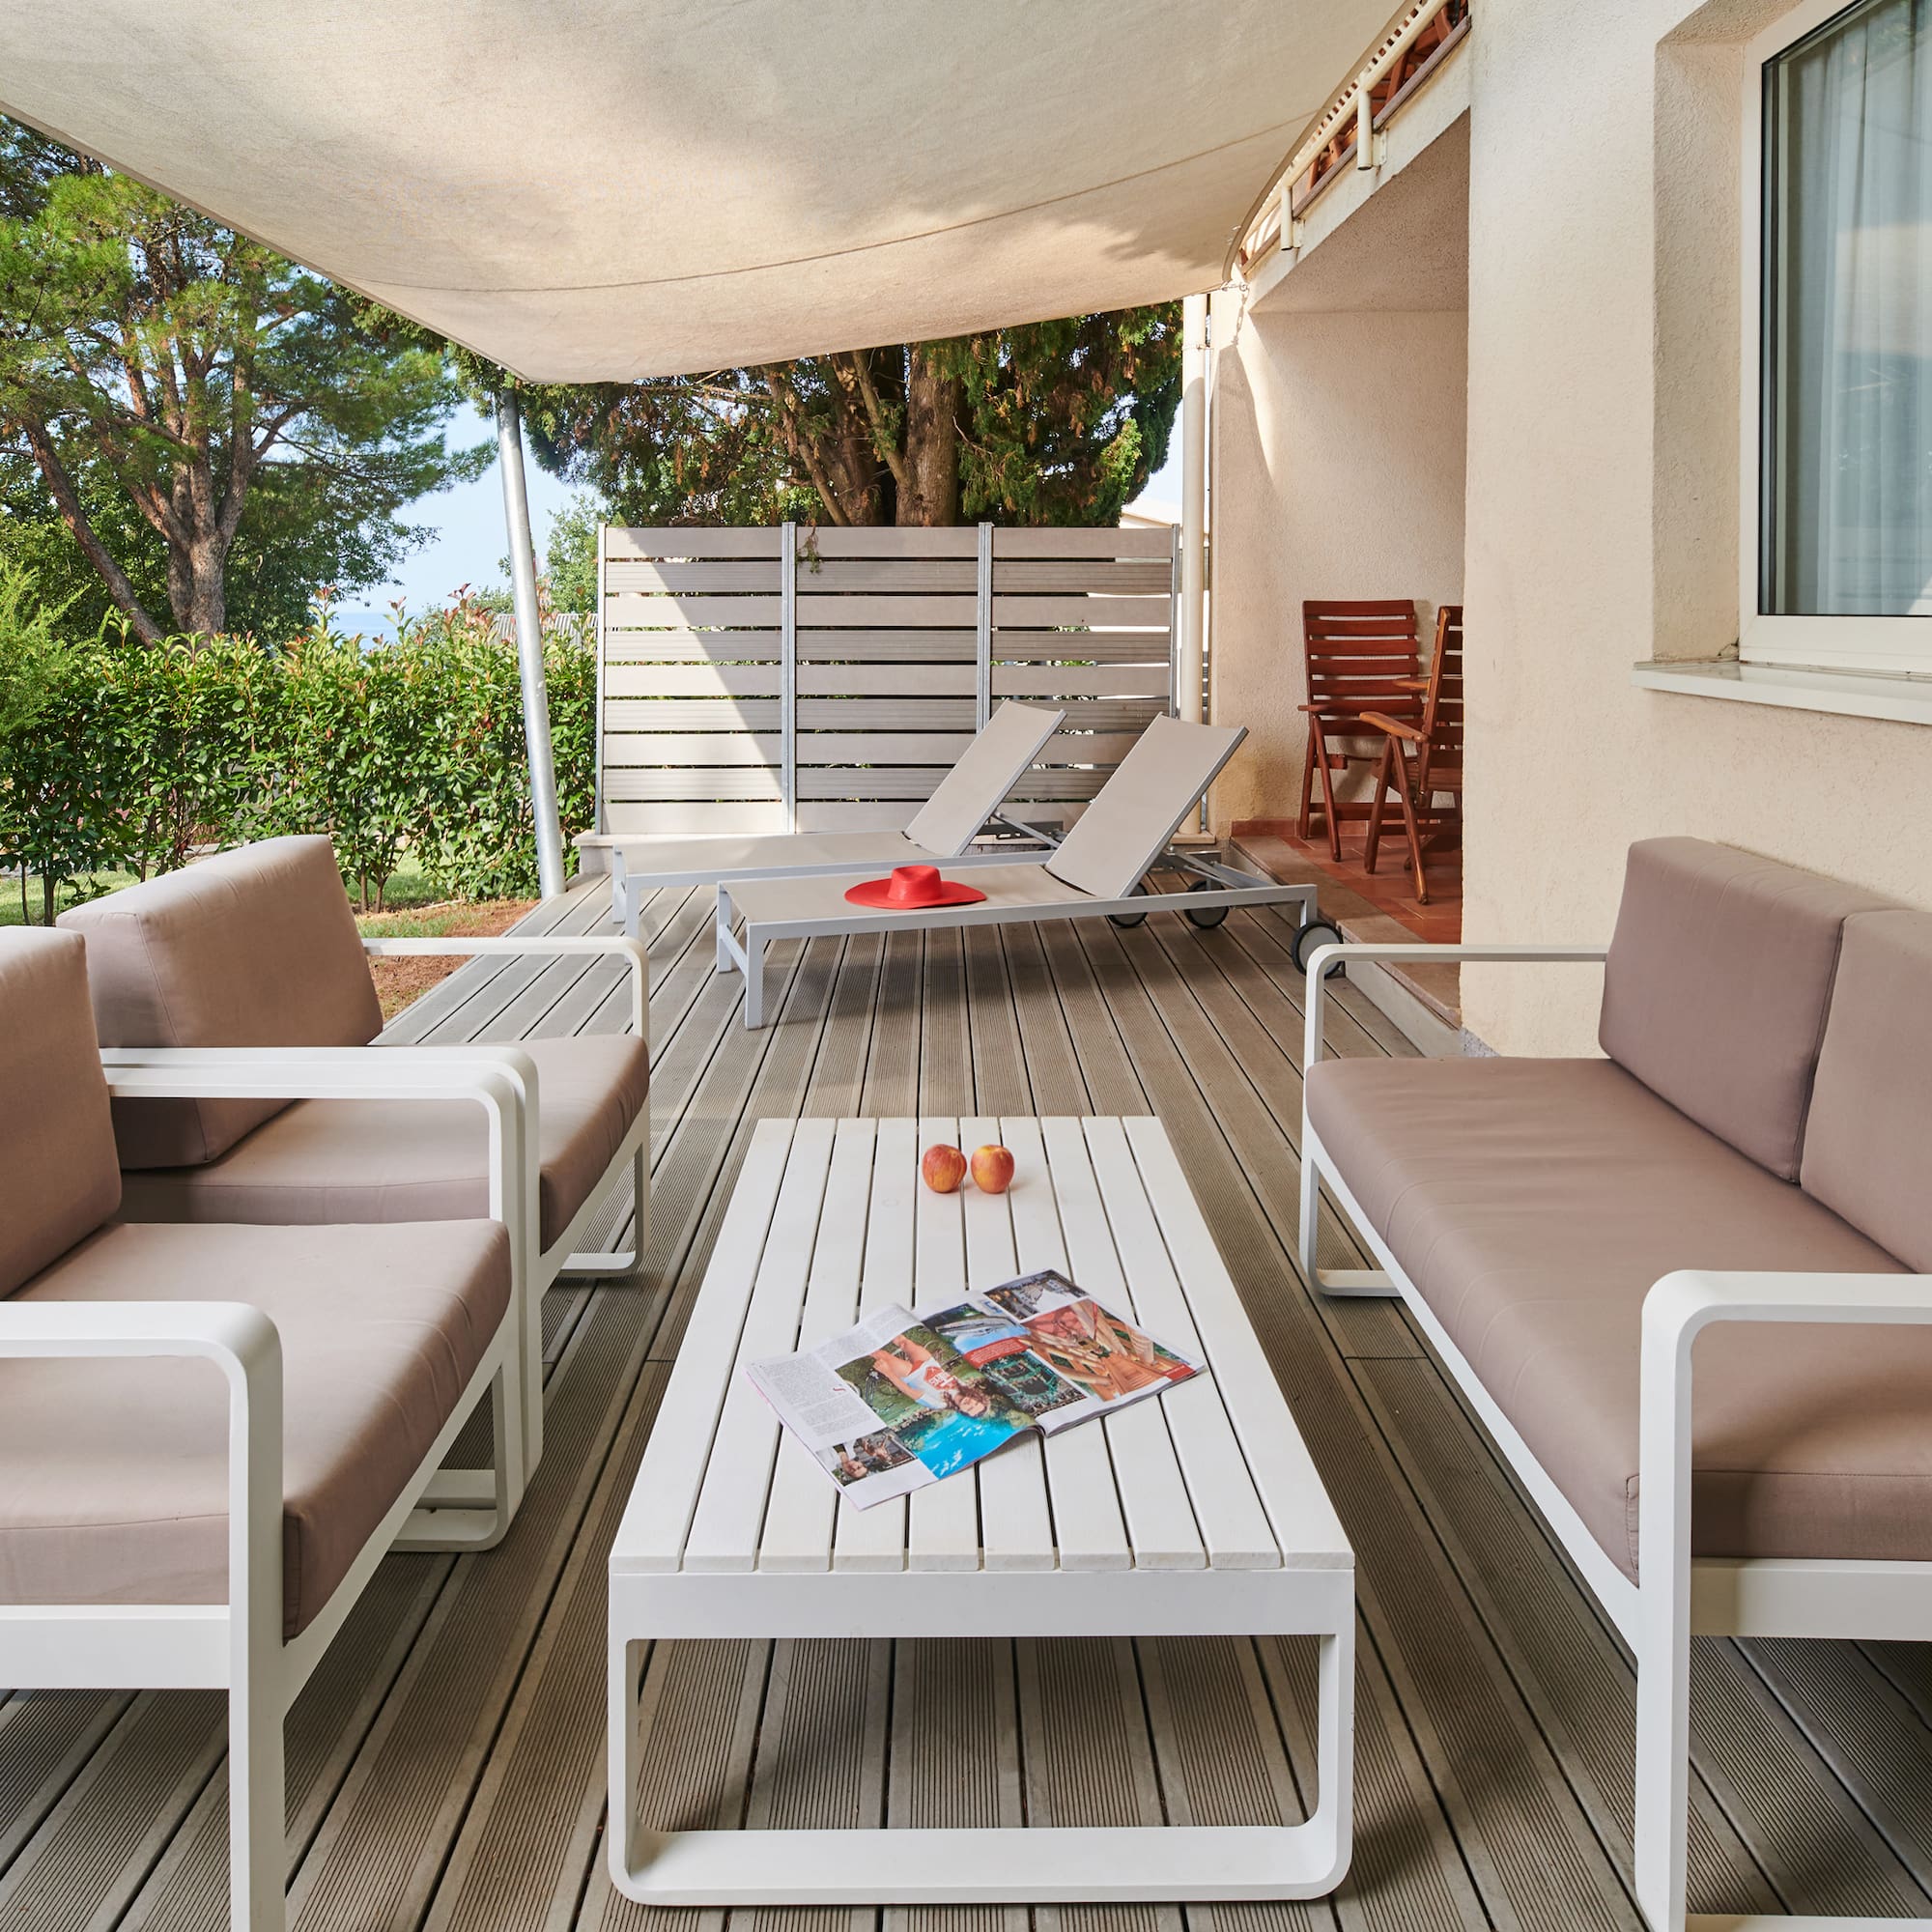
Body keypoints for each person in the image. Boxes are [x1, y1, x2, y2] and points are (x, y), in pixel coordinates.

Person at [867, 1333, 997, 1420]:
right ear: (976, 1398)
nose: (970, 1404)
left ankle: (862, 1337)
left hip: (910, 1373)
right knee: (904, 1342)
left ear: (963, 1412)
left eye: (970, 1409)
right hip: (928, 1362)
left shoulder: (939, 1404)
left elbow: (908, 1391)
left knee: (881, 1354)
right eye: (975, 1403)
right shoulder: (963, 1387)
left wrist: (888, 1372)